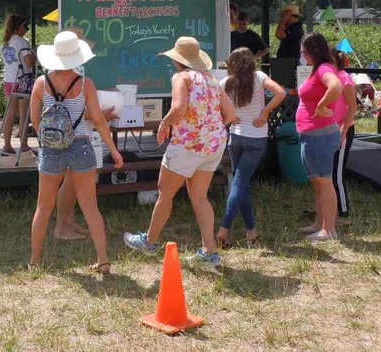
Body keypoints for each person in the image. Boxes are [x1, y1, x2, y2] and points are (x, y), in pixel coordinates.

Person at [124, 37, 236, 267]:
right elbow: (231, 115)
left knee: (165, 193)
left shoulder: (181, 77)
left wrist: (164, 124)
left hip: (187, 145)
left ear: (178, 60)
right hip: (213, 145)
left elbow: (178, 109)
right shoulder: (213, 80)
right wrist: (210, 129)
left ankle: (149, 241)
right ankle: (209, 252)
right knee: (199, 197)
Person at [29, 31, 124, 273]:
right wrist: (113, 150)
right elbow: (100, 121)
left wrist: (46, 142)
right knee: (90, 207)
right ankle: (103, 260)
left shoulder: (41, 83)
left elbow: (34, 119)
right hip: (81, 145)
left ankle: (35, 261)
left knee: (43, 206)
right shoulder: (85, 84)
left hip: (51, 149)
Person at [53, 26, 118, 241]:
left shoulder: (64, 69)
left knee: (72, 180)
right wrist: (100, 117)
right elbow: (75, 108)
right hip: (76, 133)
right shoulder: (73, 71)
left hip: (72, 131)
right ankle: (62, 226)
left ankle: (69, 222)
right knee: (71, 180)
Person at [216, 47, 286, 246]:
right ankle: (223, 231)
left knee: (242, 184)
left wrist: (229, 114)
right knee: (239, 184)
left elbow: (213, 99)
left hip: (236, 137)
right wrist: (265, 113)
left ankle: (251, 232)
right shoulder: (259, 76)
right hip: (256, 138)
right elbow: (281, 92)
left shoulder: (227, 82)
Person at [297, 33, 342, 241]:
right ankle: (319, 223)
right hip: (313, 135)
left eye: (305, 52)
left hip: (320, 135)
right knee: (318, 182)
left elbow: (336, 87)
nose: (303, 56)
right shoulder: (318, 69)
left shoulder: (324, 68)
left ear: (314, 51)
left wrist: (322, 105)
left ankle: (329, 229)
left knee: (324, 181)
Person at [0, 14, 36, 155]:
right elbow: (29, 63)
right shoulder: (22, 42)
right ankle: (23, 144)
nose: (26, 29)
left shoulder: (5, 43)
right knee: (23, 114)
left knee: (10, 114)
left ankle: (7, 145)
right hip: (22, 79)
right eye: (25, 26)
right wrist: (35, 55)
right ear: (19, 27)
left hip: (9, 80)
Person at [330, 48, 357, 221]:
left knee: (336, 174)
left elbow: (352, 107)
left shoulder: (344, 78)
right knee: (328, 172)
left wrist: (343, 131)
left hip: (343, 130)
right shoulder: (329, 79)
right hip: (329, 129)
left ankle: (343, 211)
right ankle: (330, 206)